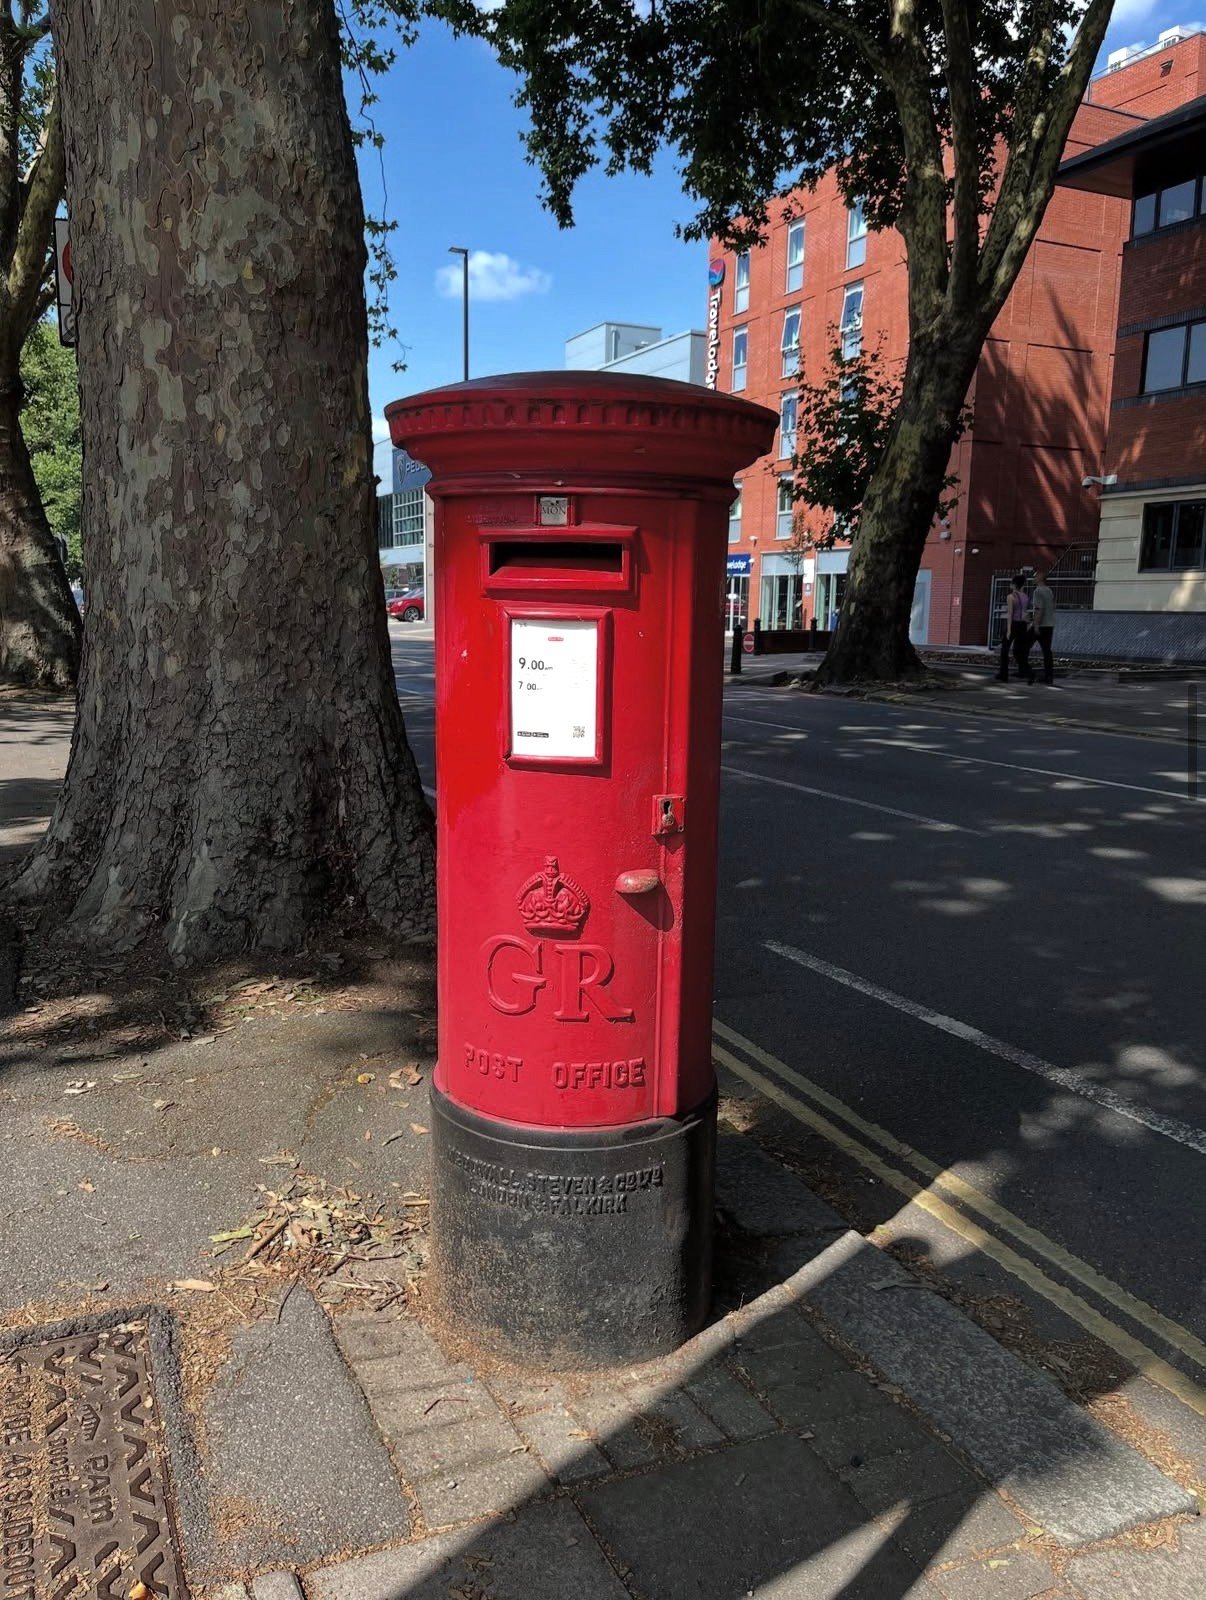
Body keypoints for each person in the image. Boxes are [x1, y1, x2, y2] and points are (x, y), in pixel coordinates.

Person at [997, 574, 1033, 683]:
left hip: (1013, 624)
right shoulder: (1025, 597)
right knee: (1019, 650)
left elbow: (1010, 614)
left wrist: (1008, 630)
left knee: (1005, 650)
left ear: (1014, 584)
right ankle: (1026, 671)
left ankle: (1004, 674)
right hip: (1022, 625)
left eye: (1011, 583)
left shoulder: (1011, 597)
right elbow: (1024, 612)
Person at [1030, 570, 1056, 685]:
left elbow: (1039, 609)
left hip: (1040, 625)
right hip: (1049, 625)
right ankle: (1048, 676)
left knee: (1022, 648)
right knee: (1047, 652)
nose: (1033, 577)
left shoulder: (1038, 591)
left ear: (1041, 577)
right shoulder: (1049, 591)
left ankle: (1026, 671)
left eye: (1035, 576)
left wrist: (1036, 625)